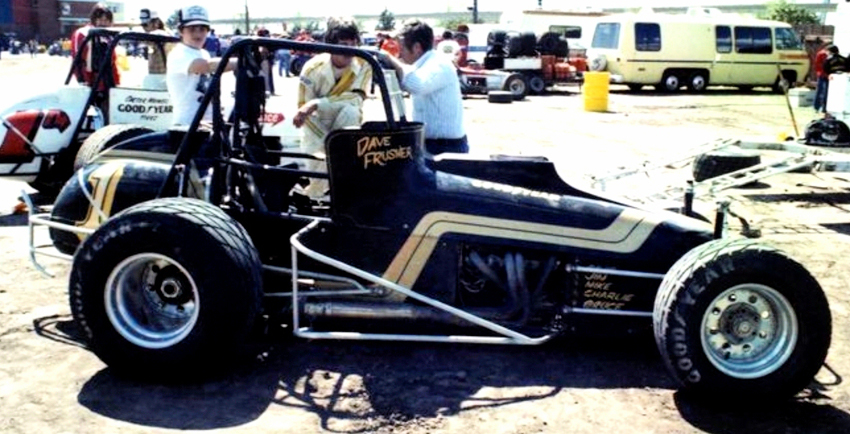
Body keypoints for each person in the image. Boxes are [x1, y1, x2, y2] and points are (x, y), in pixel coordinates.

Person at [295, 17, 372, 197]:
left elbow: (356, 98)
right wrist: (328, 143)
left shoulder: (364, 64)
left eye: (353, 44)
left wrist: (317, 104)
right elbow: (303, 111)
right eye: (343, 45)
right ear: (330, 45)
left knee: (351, 111)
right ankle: (313, 198)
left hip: (347, 123)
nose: (349, 51)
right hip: (316, 127)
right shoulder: (312, 68)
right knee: (318, 182)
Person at [380, 20, 467, 155]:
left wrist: (390, 60)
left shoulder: (438, 64)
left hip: (446, 147)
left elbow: (417, 85)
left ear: (417, 47)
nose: (399, 54)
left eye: (402, 48)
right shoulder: (424, 65)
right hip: (432, 143)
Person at [166, 5, 235, 126]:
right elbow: (204, 66)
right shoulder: (178, 54)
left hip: (205, 122)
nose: (197, 34)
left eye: (202, 29)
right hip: (186, 123)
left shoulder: (203, 53)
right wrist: (240, 61)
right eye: (192, 29)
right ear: (181, 31)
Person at [70, 3, 119, 88]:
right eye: (100, 19)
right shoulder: (83, 34)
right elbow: (78, 61)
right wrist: (83, 83)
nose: (103, 23)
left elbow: (112, 64)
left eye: (106, 20)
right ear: (94, 19)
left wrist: (116, 85)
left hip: (107, 84)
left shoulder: (109, 37)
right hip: (89, 85)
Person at [140, 9, 171, 89]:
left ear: (156, 23)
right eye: (142, 25)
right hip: (156, 80)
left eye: (146, 25)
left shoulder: (161, 35)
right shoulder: (154, 38)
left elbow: (152, 37)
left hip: (164, 81)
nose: (144, 28)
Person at [813, 42, 830, 114]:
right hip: (822, 75)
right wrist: (820, 72)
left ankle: (824, 107)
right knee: (821, 91)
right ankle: (817, 106)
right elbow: (817, 64)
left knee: (827, 92)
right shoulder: (821, 54)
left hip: (829, 75)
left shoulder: (831, 55)